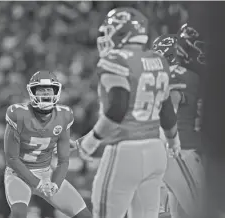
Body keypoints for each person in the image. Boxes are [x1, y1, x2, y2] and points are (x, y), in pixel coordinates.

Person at [70, 7, 181, 218]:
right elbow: (166, 110)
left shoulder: (115, 60)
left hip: (125, 151)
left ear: (122, 32)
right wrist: (173, 140)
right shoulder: (159, 61)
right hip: (156, 151)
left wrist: (90, 142)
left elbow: (118, 109)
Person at [4, 70, 92, 218]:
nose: (45, 94)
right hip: (18, 175)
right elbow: (12, 159)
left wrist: (55, 184)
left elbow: (63, 161)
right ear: (32, 92)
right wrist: (37, 183)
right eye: (41, 90)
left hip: (46, 174)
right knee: (19, 214)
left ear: (56, 92)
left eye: (48, 90)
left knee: (84, 216)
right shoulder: (18, 114)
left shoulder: (64, 115)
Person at [153, 24, 206, 218]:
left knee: (174, 212)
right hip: (179, 150)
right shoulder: (179, 74)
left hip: (169, 150)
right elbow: (170, 108)